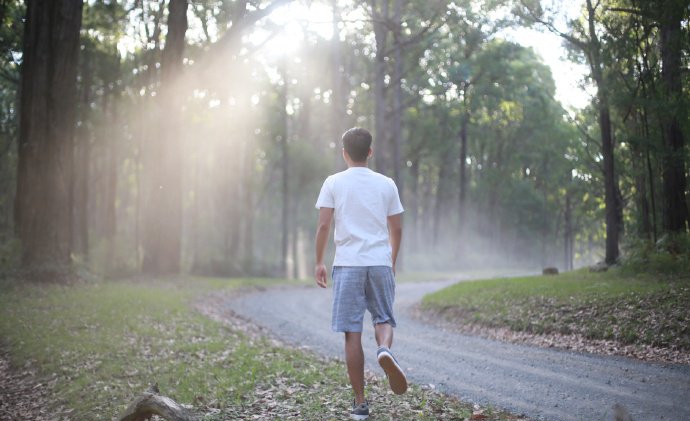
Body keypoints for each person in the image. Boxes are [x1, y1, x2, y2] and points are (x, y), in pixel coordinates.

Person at [314, 127, 407, 420]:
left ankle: (360, 403)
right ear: (370, 151)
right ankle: (384, 349)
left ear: (344, 153)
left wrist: (319, 261)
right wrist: (390, 259)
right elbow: (397, 228)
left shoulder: (333, 182)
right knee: (384, 317)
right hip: (379, 261)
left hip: (348, 263)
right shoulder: (386, 184)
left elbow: (324, 226)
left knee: (351, 333)